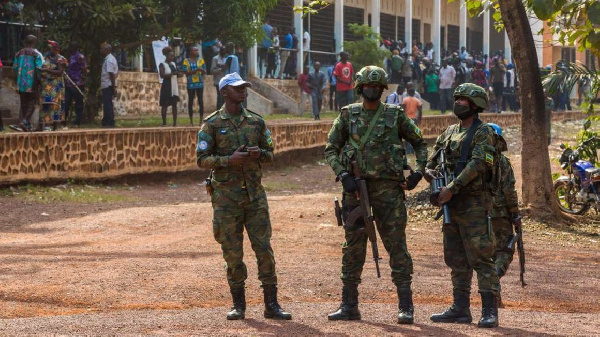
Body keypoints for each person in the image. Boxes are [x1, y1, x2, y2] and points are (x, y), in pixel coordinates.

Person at [324, 66, 428, 324]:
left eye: (377, 87)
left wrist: (417, 172)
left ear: (383, 89)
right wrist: (343, 174)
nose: (372, 90)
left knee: (397, 246)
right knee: (352, 247)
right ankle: (349, 305)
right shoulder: (348, 115)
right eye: (368, 87)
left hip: (389, 191)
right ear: (360, 88)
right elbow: (331, 148)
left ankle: (406, 306)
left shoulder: (395, 115)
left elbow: (420, 143)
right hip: (356, 192)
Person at [196, 72, 292, 321]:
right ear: (224, 92)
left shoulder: (256, 122)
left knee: (264, 249)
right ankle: (238, 304)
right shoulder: (212, 124)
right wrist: (229, 160)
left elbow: (271, 154)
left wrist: (258, 153)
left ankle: (271, 304)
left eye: (245, 88)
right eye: (238, 88)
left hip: (254, 197)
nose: (244, 91)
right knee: (232, 252)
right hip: (226, 199)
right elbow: (201, 160)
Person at [426, 83, 501, 328]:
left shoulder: (483, 132)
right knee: (456, 258)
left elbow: (479, 163)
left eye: (463, 100)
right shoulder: (448, 132)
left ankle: (489, 311)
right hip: (451, 205)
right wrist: (430, 176)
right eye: (456, 99)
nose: (458, 103)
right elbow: (433, 159)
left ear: (475, 105)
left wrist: (453, 187)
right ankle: (460, 308)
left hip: (474, 204)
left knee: (481, 258)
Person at [486, 123, 519, 305]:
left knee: (486, 254)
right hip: (500, 214)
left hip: (479, 213)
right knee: (504, 250)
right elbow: (509, 190)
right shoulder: (502, 161)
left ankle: (493, 294)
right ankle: (494, 283)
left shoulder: (475, 159)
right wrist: (515, 213)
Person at [10, 34, 44, 132]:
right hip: (32, 81)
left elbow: (15, 68)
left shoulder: (18, 53)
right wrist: (40, 80)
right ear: (34, 43)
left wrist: (18, 79)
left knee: (24, 103)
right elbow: (39, 68)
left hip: (21, 82)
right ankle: (25, 121)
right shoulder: (36, 54)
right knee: (32, 102)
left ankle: (26, 125)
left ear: (25, 42)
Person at [38, 40, 68, 131]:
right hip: (46, 84)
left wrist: (47, 71)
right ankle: (43, 124)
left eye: (50, 47)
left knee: (54, 104)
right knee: (45, 104)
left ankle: (53, 124)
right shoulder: (45, 57)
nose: (48, 49)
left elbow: (60, 72)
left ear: (55, 49)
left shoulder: (60, 59)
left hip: (56, 85)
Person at [64, 42, 87, 128]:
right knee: (66, 102)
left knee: (78, 104)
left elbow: (84, 69)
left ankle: (77, 122)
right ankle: (63, 121)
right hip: (69, 83)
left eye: (71, 47)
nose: (69, 49)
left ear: (74, 48)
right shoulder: (70, 57)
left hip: (77, 83)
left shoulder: (80, 56)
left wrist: (82, 79)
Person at [182, 46, 206, 125]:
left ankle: (201, 120)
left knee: (200, 101)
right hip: (190, 83)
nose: (197, 51)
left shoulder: (201, 60)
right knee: (190, 101)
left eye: (197, 50)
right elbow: (186, 72)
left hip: (200, 83)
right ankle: (191, 121)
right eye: (195, 50)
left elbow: (204, 71)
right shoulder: (186, 61)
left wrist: (202, 71)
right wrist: (196, 70)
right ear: (190, 52)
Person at [159, 46, 182, 127]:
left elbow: (176, 73)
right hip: (167, 86)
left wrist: (179, 74)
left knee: (174, 104)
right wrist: (172, 74)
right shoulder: (162, 64)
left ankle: (175, 123)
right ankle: (164, 122)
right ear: (166, 56)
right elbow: (162, 75)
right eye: (170, 56)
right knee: (164, 104)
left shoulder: (173, 64)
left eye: (173, 56)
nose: (172, 57)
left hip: (174, 86)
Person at [100, 43, 118, 128]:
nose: (101, 51)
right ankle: (106, 120)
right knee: (107, 103)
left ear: (107, 50)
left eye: (102, 49)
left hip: (108, 85)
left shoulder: (109, 60)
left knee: (108, 104)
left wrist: (114, 88)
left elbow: (112, 74)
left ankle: (109, 122)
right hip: (107, 84)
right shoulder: (109, 59)